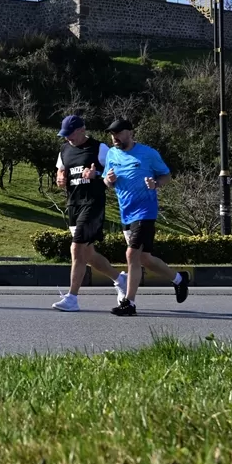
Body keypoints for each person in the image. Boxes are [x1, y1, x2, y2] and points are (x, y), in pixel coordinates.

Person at [103, 119, 190, 316]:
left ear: (130, 133)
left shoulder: (148, 154)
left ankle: (129, 303)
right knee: (145, 258)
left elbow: (166, 175)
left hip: (145, 211)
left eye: (118, 132)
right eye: (112, 133)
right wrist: (109, 180)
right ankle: (179, 279)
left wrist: (156, 184)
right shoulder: (111, 153)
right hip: (126, 211)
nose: (114, 137)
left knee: (131, 254)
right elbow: (107, 181)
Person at [50, 115, 128, 311]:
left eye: (70, 134)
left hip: (93, 204)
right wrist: (60, 177)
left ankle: (72, 298)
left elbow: (116, 173)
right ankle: (120, 279)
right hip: (73, 205)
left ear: (81, 130)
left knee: (76, 249)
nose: (68, 138)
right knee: (89, 254)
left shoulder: (100, 149)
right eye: (65, 135)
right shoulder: (64, 149)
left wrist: (98, 174)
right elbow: (61, 170)